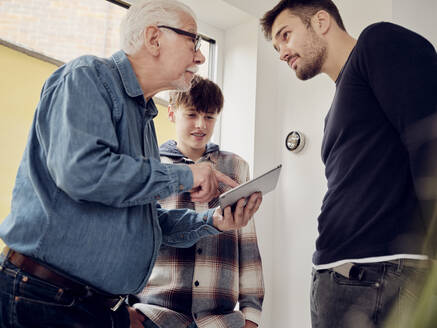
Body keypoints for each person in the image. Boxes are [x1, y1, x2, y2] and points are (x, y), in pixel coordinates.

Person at [0, 1, 262, 327]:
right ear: (154, 38)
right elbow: (83, 173)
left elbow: (147, 221)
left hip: (96, 307)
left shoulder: (144, 120)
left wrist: (214, 221)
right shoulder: (87, 78)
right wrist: (186, 174)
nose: (200, 56)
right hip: (47, 299)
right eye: (192, 41)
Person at [260, 0, 437, 327]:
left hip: (379, 273)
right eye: (276, 47)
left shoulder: (378, 41)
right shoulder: (338, 105)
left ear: (321, 21)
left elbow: (429, 141)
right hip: (343, 275)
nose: (282, 52)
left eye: (286, 35)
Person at [131, 75, 264, 328]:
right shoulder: (151, 167)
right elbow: (133, 239)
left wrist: (251, 317)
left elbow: (248, 245)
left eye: (209, 116)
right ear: (172, 113)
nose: (201, 125)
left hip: (220, 320)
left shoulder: (236, 167)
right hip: (155, 316)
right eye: (191, 114)